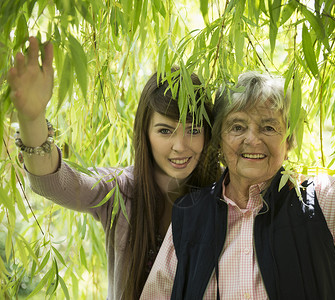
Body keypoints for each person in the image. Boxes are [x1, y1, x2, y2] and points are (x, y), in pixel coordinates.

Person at [140, 10, 335, 300]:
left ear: (288, 142)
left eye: (269, 126)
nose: (253, 139)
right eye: (237, 126)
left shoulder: (317, 201)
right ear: (220, 144)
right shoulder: (189, 216)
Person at [7, 37, 221, 299]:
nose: (180, 146)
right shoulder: (120, 190)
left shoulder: (225, 196)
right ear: (145, 134)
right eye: (165, 130)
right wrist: (33, 119)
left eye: (193, 130)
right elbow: (54, 182)